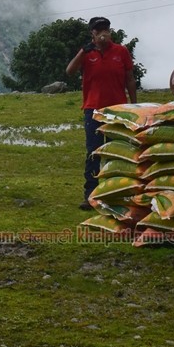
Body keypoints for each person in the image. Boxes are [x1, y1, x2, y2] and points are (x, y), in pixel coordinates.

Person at [66, 16, 137, 210]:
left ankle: (116, 192)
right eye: (98, 30)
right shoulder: (87, 54)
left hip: (118, 110)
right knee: (94, 152)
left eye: (105, 29)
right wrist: (83, 51)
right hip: (93, 110)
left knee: (118, 151)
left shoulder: (121, 52)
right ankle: (91, 194)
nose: (102, 33)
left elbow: (130, 79)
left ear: (109, 31)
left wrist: (134, 105)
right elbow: (70, 71)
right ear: (93, 34)